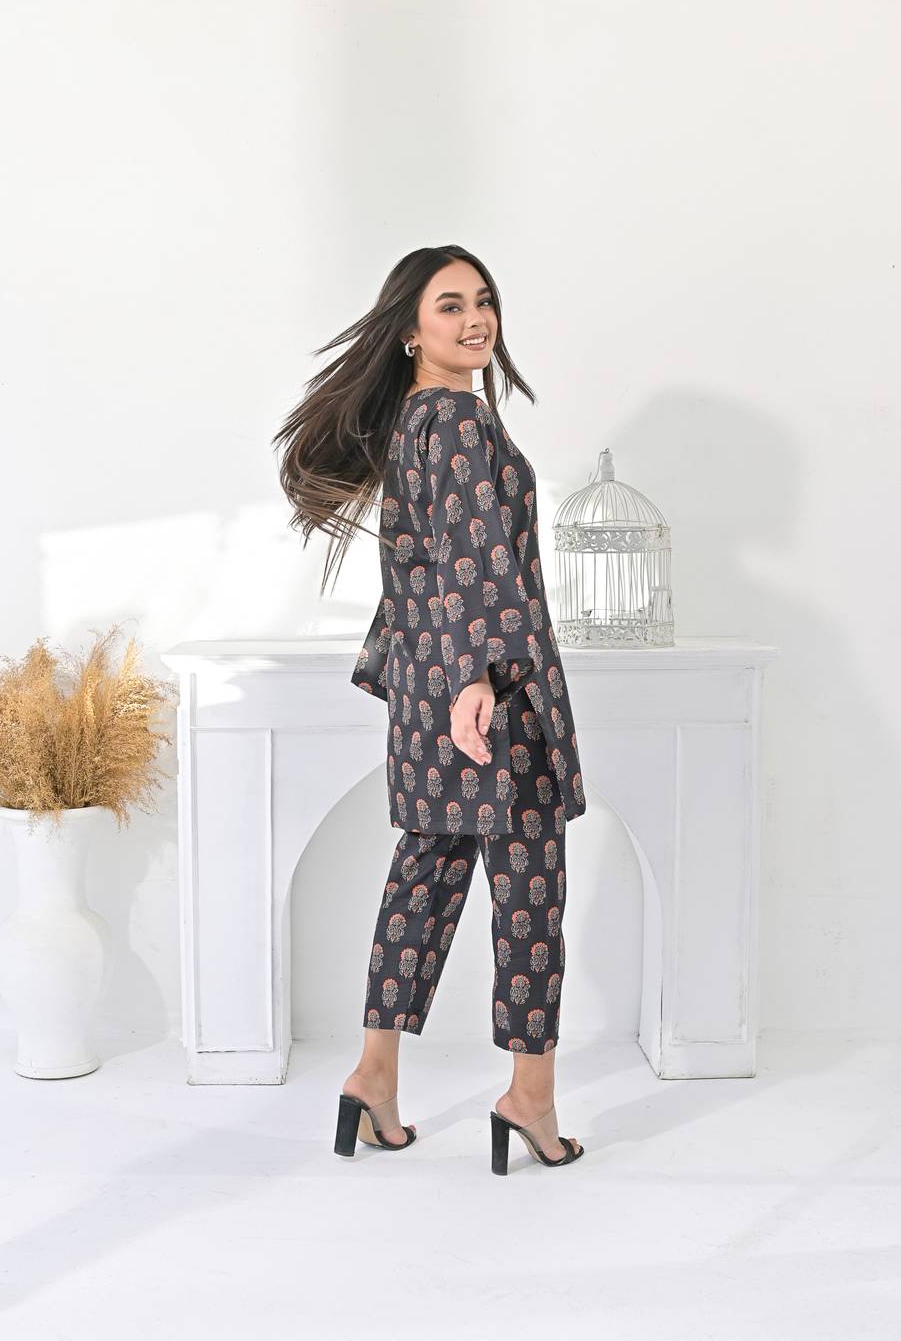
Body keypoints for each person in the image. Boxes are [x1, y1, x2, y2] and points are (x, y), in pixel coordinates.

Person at [274, 246, 586, 1172]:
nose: (475, 318)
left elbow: (429, 563)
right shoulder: (453, 419)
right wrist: (479, 681)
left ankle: (373, 1077)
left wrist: (438, 682)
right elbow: (473, 559)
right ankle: (531, 1099)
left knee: (426, 875)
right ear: (411, 330)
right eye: (450, 305)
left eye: (483, 300)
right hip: (485, 696)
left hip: (429, 691)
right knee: (529, 889)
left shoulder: (415, 420)